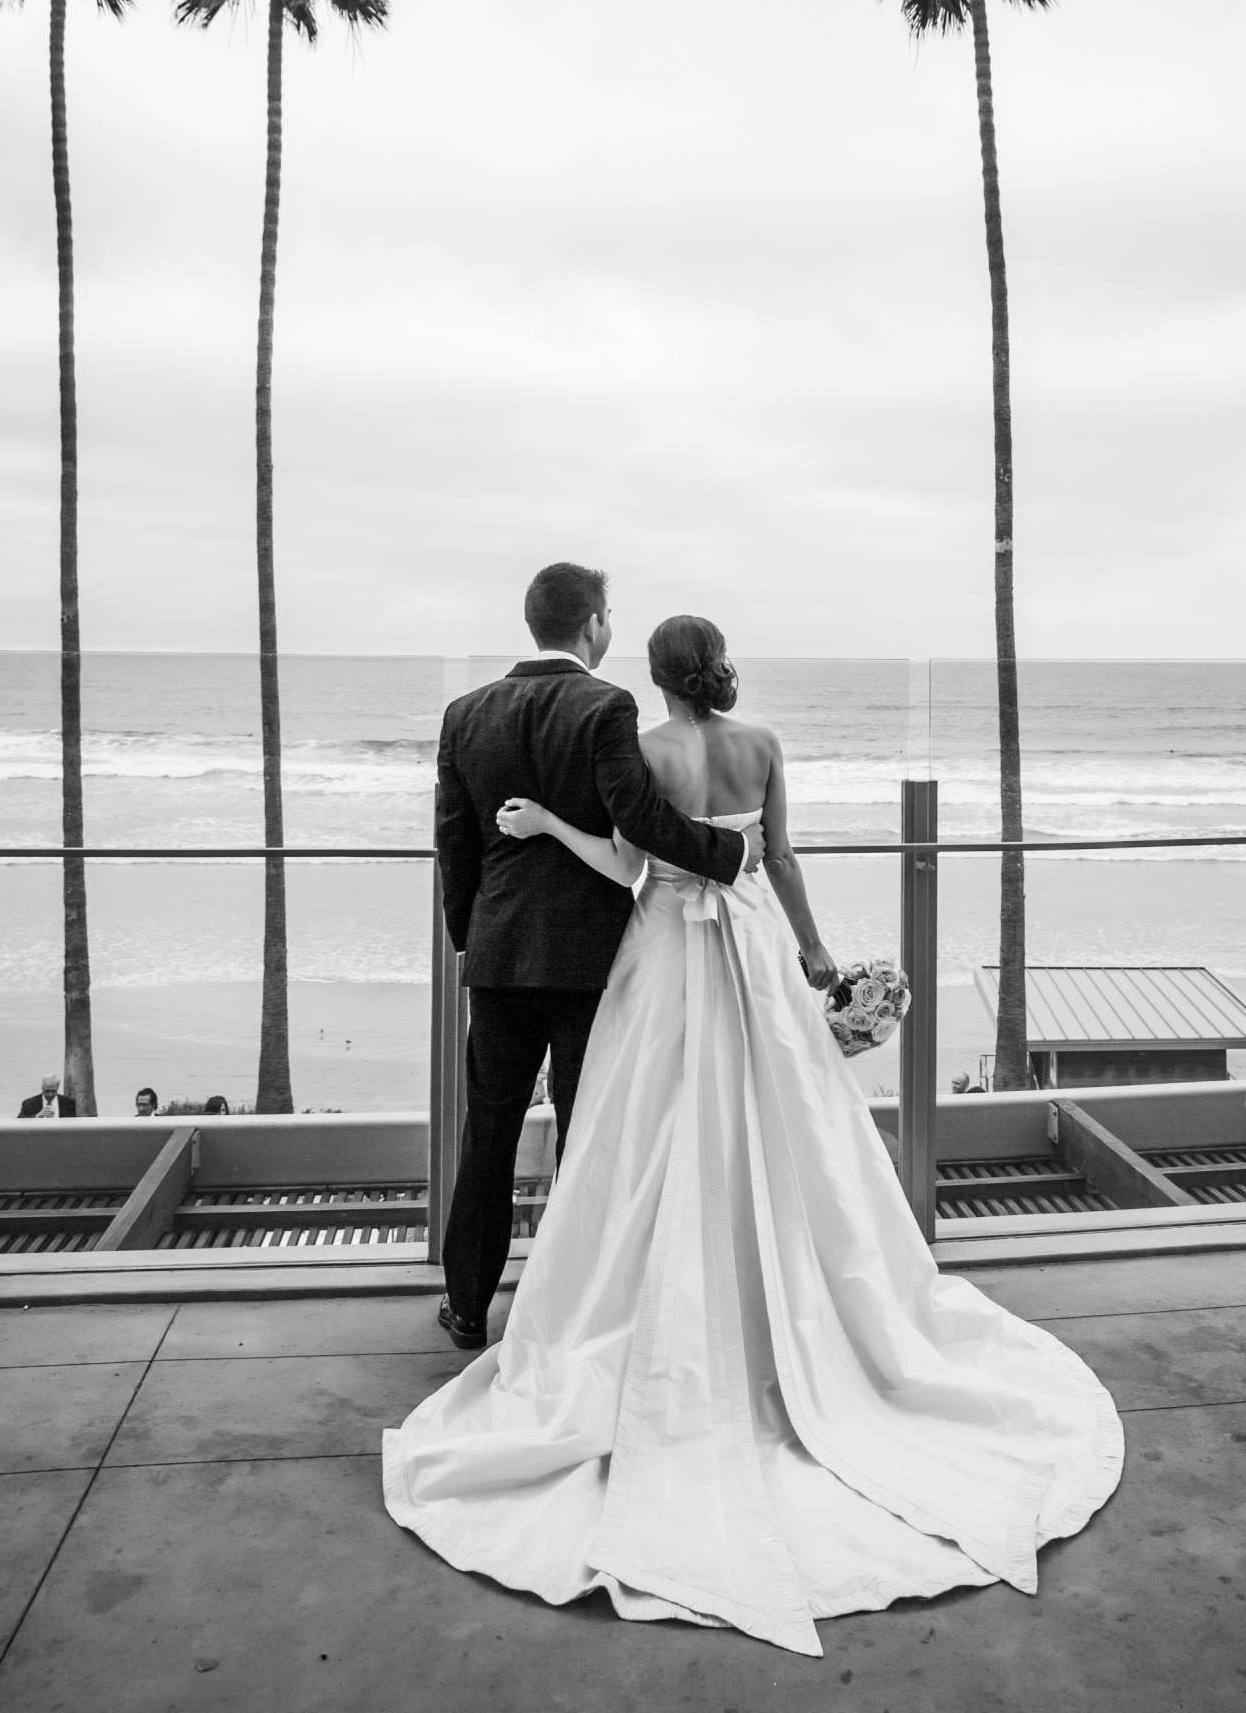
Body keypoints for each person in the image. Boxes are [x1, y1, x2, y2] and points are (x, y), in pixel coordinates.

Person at [384, 613, 1123, 1658]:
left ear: (654, 674)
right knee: (786, 1118)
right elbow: (776, 857)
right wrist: (815, 955)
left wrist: (544, 827)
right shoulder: (764, 743)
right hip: (754, 945)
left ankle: (602, 1295)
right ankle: (795, 1296)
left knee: (636, 1130)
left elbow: (630, 867)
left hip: (659, 953)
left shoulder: (635, 747)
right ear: (718, 669)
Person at [426, 564, 760, 1353]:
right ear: (594, 626)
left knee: (491, 1127)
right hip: (588, 954)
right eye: (608, 616)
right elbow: (637, 816)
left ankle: (468, 1308)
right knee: (585, 1131)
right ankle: (572, 1306)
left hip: (500, 954)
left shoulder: (465, 712)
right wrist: (729, 851)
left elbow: (454, 840)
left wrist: (469, 938)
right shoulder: (606, 705)